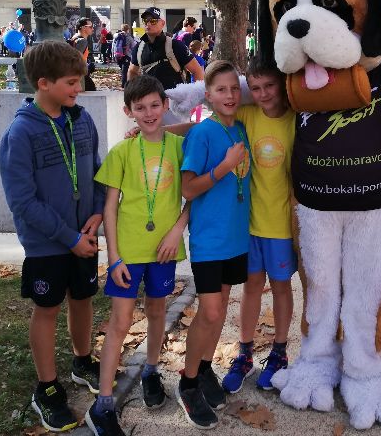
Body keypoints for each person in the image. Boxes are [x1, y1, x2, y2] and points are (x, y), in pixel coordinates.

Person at [0, 40, 105, 432]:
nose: (79, 88)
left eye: (80, 80)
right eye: (71, 82)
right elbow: (22, 201)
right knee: (47, 309)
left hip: (84, 235)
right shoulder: (20, 133)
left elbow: (97, 172)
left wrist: (97, 212)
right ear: (43, 83)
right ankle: (46, 387)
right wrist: (67, 237)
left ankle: (82, 360)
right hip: (47, 243)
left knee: (83, 298)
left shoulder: (82, 120)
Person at [86, 75, 190, 435]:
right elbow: (110, 207)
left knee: (158, 309)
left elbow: (192, 193)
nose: (148, 113)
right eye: (140, 108)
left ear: (165, 105)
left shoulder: (179, 147)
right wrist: (113, 257)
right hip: (128, 252)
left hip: (163, 249)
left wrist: (177, 230)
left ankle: (150, 369)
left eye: (155, 105)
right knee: (121, 321)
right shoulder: (123, 152)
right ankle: (102, 404)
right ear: (128, 111)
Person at [178, 60, 251, 429]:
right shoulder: (203, 134)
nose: (230, 95)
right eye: (221, 89)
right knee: (208, 312)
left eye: (234, 88)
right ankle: (188, 383)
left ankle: (205, 368)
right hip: (209, 240)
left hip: (236, 238)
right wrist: (224, 166)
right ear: (207, 95)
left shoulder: (241, 129)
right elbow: (188, 188)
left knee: (220, 310)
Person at [220, 57, 297, 395]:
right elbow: (207, 120)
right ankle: (245, 353)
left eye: (269, 86)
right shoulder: (247, 115)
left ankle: (279, 352)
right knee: (251, 287)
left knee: (281, 288)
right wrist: (156, 130)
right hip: (249, 224)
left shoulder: (296, 121)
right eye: (256, 88)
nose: (264, 94)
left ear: (281, 85)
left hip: (281, 225)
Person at [128, 7, 204, 122]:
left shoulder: (176, 45)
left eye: (153, 21)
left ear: (162, 23)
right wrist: (133, 96)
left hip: (174, 107)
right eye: (145, 21)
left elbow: (197, 71)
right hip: (148, 108)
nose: (148, 24)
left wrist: (193, 100)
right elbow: (132, 71)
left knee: (177, 134)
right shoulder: (139, 48)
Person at [70, 18, 97, 92]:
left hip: (76, 74)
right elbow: (76, 59)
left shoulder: (74, 37)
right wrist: (87, 68)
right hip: (80, 74)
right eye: (90, 27)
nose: (93, 29)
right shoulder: (82, 41)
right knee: (91, 90)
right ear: (83, 28)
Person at [188, 40, 207, 122]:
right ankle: (197, 121)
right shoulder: (200, 59)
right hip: (199, 84)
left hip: (190, 83)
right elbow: (202, 72)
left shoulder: (188, 58)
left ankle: (188, 118)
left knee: (192, 103)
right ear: (199, 49)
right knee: (199, 104)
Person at [112, 24, 135, 88]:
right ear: (128, 29)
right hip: (126, 56)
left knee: (123, 70)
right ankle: (124, 85)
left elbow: (113, 47)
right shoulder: (129, 37)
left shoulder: (116, 36)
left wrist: (113, 56)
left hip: (118, 55)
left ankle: (124, 84)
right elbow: (133, 48)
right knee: (125, 71)